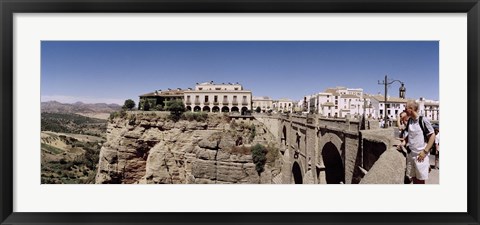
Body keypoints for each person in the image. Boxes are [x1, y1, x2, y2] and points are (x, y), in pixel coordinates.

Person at [404, 100, 436, 184]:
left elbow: (432, 136)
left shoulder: (423, 120)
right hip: (411, 155)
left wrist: (425, 152)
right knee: (414, 178)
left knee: (420, 181)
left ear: (411, 109)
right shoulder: (409, 121)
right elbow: (409, 134)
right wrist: (404, 142)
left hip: (421, 156)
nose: (404, 110)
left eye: (405, 109)